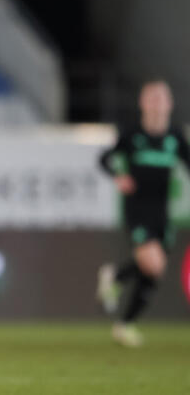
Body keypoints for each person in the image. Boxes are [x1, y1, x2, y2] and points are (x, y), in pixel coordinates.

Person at [97, 80, 190, 347]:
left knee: (153, 272)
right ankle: (119, 299)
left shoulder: (175, 137)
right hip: (137, 209)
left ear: (170, 103)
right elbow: (104, 159)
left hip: (162, 212)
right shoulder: (132, 134)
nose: (157, 103)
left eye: (162, 98)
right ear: (142, 103)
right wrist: (118, 176)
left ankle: (123, 315)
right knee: (155, 263)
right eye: (152, 97)